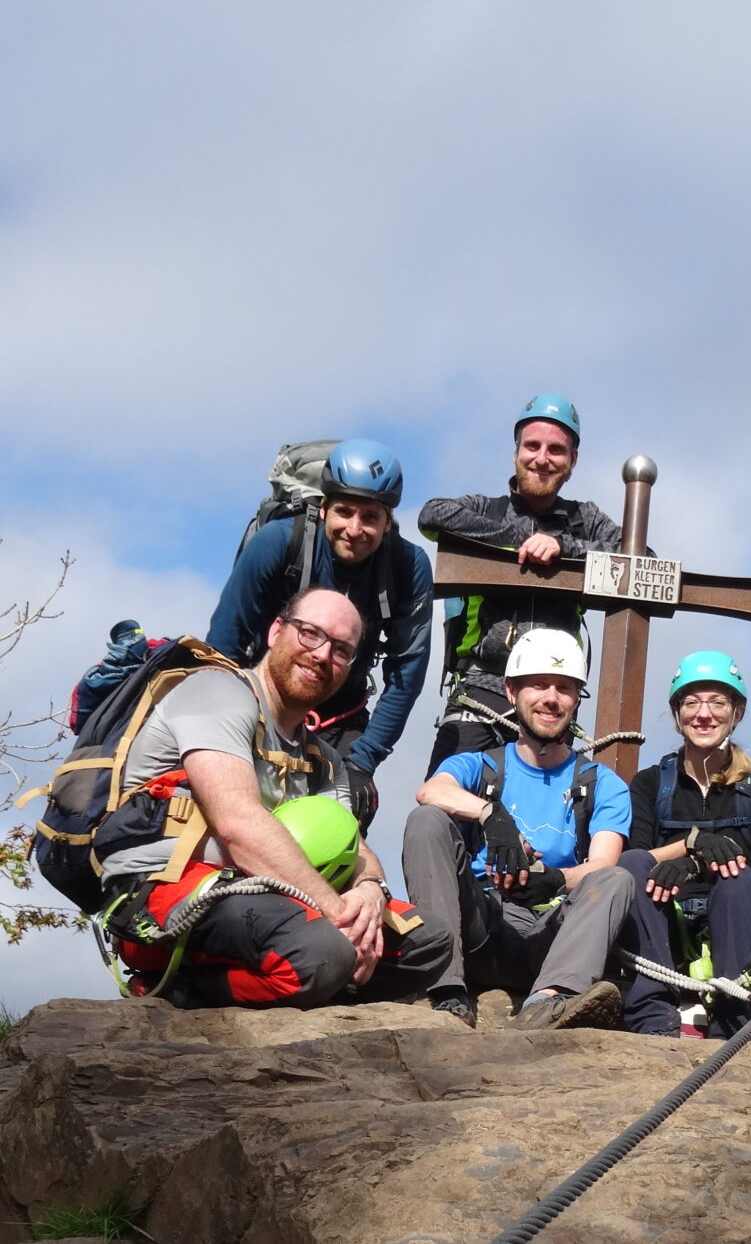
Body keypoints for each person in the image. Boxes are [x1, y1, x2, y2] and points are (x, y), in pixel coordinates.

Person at [101, 587, 447, 1010]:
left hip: (266, 898)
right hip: (164, 895)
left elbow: (356, 848)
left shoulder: (323, 759)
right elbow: (239, 826)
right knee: (323, 954)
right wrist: (338, 914)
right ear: (276, 631)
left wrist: (371, 890)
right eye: (310, 634)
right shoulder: (216, 693)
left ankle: (307, 980)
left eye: (341, 649)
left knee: (427, 941)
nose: (322, 655)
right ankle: (175, 991)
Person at [398, 627, 636, 1030]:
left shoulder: (602, 783)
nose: (550, 698)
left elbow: (603, 865)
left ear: (577, 699)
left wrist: (558, 878)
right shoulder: (480, 764)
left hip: (548, 934)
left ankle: (546, 1002)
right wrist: (493, 816)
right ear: (511, 692)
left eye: (564, 688)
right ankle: (446, 990)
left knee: (617, 878)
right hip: (480, 922)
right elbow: (431, 792)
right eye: (538, 685)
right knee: (426, 822)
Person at [206, 438, 433, 798]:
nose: (355, 530)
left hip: (342, 717)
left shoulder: (408, 566)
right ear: (324, 508)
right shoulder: (279, 541)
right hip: (262, 700)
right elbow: (224, 641)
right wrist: (226, 724)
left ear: (388, 522)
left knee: (341, 826)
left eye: (370, 517)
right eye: (344, 511)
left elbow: (407, 673)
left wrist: (363, 763)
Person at [415, 394, 624, 768]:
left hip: (552, 697)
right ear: (516, 453)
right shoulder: (485, 509)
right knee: (442, 813)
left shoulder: (586, 520)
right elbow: (432, 515)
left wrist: (564, 546)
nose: (542, 458)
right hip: (480, 688)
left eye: (556, 450)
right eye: (532, 446)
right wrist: (514, 542)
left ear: (572, 460)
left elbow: (639, 559)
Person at [617, 652, 751, 1036]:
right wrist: (692, 847)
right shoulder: (649, 784)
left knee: (739, 881)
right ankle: (651, 1010)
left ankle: (734, 1016)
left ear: (737, 712)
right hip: (665, 930)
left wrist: (699, 867)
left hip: (739, 927)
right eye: (691, 702)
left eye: (717, 702)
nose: (703, 714)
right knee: (630, 863)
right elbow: (638, 855)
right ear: (678, 713)